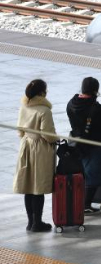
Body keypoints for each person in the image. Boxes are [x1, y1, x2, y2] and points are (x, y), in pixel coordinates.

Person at [66, 77, 101, 214]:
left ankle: (78, 201)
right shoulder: (97, 108)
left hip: (76, 143)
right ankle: (85, 204)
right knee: (95, 175)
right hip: (94, 145)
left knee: (81, 173)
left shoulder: (71, 104)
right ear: (96, 90)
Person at [13, 79, 57, 232]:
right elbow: (48, 135)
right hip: (40, 149)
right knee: (38, 186)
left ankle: (30, 222)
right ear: (42, 93)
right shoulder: (44, 111)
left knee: (28, 185)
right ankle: (37, 223)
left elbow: (20, 131)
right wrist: (56, 139)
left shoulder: (24, 107)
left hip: (26, 146)